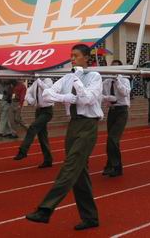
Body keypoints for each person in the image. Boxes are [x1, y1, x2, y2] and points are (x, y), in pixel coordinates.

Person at [26, 44, 103, 231]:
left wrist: (74, 84)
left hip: (88, 125)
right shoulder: (67, 77)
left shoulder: (95, 76)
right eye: (71, 56)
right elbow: (48, 94)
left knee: (70, 167)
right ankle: (90, 217)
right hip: (73, 125)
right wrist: (69, 97)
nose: (72, 59)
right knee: (79, 173)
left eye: (76, 56)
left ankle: (45, 209)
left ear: (86, 58)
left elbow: (87, 99)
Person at [13, 77, 54, 167]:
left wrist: (39, 80)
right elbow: (28, 92)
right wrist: (32, 101)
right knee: (42, 137)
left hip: (47, 111)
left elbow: (48, 90)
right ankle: (48, 160)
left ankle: (23, 151)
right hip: (38, 111)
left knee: (32, 127)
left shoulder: (48, 80)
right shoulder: (36, 82)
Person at [101, 60, 131, 177]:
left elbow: (125, 93)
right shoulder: (106, 82)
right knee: (111, 140)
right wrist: (108, 98)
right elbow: (101, 95)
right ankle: (110, 165)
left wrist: (117, 80)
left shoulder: (124, 80)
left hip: (122, 111)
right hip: (112, 111)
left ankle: (117, 167)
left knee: (113, 138)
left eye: (116, 68)